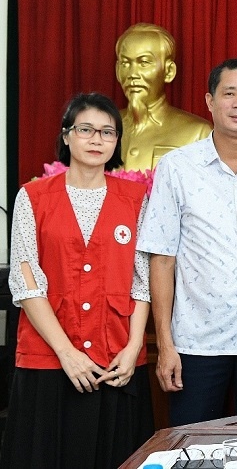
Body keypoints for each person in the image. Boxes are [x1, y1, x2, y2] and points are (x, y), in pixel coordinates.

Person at [137, 59, 237, 425]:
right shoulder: (177, 167)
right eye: (229, 93)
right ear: (210, 101)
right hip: (197, 343)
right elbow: (162, 258)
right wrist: (165, 344)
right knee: (192, 443)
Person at [1, 93, 152, 468]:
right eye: (86, 129)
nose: (97, 139)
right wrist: (67, 353)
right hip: (48, 359)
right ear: (66, 135)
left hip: (115, 359)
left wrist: (134, 347)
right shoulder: (33, 197)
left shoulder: (137, 199)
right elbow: (27, 283)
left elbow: (143, 282)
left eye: (107, 132)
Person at [115, 23, 212, 171]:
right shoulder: (101, 129)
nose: (132, 74)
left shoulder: (198, 134)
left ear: (169, 71)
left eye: (144, 63)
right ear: (117, 70)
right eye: (125, 63)